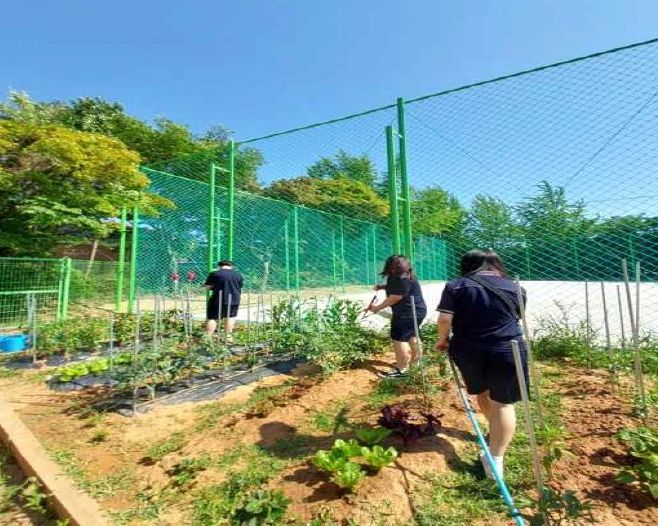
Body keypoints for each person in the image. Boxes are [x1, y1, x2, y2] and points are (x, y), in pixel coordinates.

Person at [435, 249, 528, 480]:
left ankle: (493, 435)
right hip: (508, 349)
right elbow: (518, 316)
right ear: (497, 265)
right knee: (503, 404)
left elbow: (445, 319)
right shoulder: (515, 287)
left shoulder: (456, 286)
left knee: (483, 392)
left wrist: (442, 340)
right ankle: (495, 457)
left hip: (469, 350)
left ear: (467, 265)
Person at [368, 255, 427, 379]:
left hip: (407, 312)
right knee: (412, 336)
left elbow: (395, 297)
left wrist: (377, 308)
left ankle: (401, 370)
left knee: (399, 338)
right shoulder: (405, 275)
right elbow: (399, 289)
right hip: (417, 310)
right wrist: (382, 287)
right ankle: (416, 366)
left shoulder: (401, 278)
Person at [204, 260, 244, 341]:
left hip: (217, 299)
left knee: (212, 317)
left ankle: (208, 337)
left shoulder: (214, 274)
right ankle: (228, 336)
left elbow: (208, 286)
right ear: (231, 266)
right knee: (230, 316)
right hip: (234, 299)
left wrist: (205, 286)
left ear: (220, 266)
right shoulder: (238, 274)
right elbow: (239, 286)